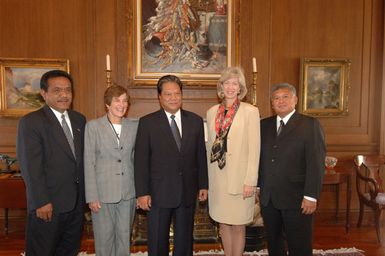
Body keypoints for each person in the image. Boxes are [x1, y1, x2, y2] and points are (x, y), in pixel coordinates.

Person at [134, 75, 208, 256]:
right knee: (158, 240)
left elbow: (200, 155)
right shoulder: (147, 122)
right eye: (168, 94)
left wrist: (203, 184)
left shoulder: (195, 121)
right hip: (158, 192)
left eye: (177, 93)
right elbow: (141, 160)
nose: (173, 98)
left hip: (187, 191)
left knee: (184, 241)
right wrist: (142, 192)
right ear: (159, 97)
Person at [16, 70, 86, 256]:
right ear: (44, 93)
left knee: (69, 251)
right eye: (57, 90)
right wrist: (41, 201)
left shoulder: (80, 120)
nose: (64, 95)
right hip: (48, 205)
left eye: (68, 90)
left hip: (76, 205)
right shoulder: (31, 122)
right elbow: (30, 167)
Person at [258, 83, 326, 256]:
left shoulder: (310, 125)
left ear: (295, 100)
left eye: (285, 97)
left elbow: (315, 162)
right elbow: (259, 159)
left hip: (298, 198)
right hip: (269, 198)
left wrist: (311, 196)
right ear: (272, 103)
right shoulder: (263, 125)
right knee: (274, 243)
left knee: (299, 245)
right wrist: (259, 186)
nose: (280, 101)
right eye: (276, 98)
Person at [206, 67, 260, 256]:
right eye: (227, 83)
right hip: (218, 179)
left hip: (240, 179)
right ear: (221, 86)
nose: (230, 87)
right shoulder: (212, 112)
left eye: (234, 83)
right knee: (223, 223)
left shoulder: (250, 111)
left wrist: (251, 181)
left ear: (240, 88)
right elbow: (209, 148)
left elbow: (255, 150)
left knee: (238, 225)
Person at [84, 85, 138, 256]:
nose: (121, 105)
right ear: (107, 104)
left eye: (125, 101)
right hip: (102, 194)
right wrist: (91, 196)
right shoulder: (93, 127)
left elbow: (136, 160)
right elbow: (89, 162)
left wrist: (139, 191)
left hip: (128, 192)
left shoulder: (134, 126)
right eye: (117, 100)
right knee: (104, 240)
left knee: (124, 237)